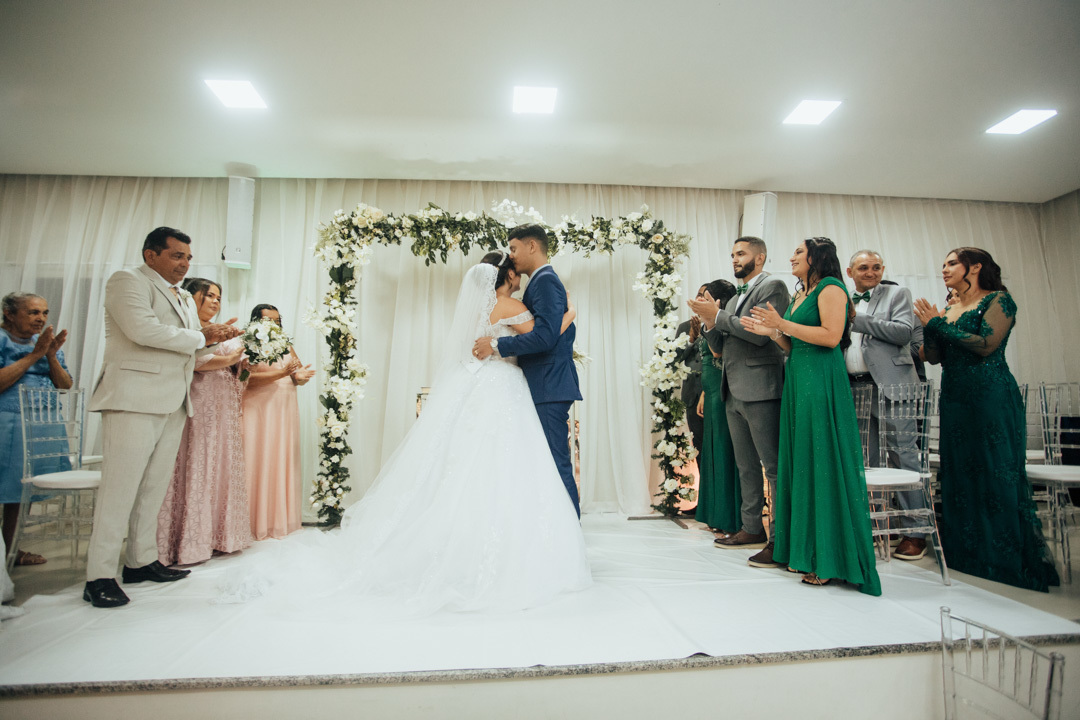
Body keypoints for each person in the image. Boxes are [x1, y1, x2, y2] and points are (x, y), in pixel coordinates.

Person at [231, 254, 590, 613]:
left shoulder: (474, 310)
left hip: (474, 384)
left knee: (461, 463)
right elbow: (543, 336)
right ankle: (510, 546)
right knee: (504, 464)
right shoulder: (510, 305)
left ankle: (454, 544)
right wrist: (570, 313)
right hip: (502, 386)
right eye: (514, 270)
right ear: (507, 274)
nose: (519, 276)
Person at [84, 227, 240, 608]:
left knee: (152, 488)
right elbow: (143, 331)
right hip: (133, 399)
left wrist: (216, 338)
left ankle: (140, 561)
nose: (184, 264)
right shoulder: (127, 282)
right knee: (119, 490)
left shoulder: (183, 296)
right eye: (176, 256)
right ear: (150, 255)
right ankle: (99, 575)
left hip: (174, 401)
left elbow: (189, 347)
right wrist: (203, 337)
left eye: (188, 258)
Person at [914, 247, 1058, 592]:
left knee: (995, 470)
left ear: (975, 267)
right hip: (955, 399)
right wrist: (929, 328)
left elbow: (985, 345)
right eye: (943, 264)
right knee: (960, 472)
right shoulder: (950, 306)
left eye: (952, 263)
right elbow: (932, 357)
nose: (944, 269)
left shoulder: (998, 300)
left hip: (991, 395)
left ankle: (1004, 558)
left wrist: (937, 323)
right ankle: (968, 555)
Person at [742, 237, 881, 595]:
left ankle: (830, 558)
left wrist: (783, 325)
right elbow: (793, 345)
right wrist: (773, 332)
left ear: (817, 257)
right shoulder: (801, 294)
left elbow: (831, 337)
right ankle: (803, 551)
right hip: (798, 381)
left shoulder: (831, 288)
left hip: (821, 381)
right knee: (801, 465)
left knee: (822, 464)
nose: (792, 257)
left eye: (799, 252)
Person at [687, 236, 790, 569]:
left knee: (772, 467)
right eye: (732, 254)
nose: (735, 259)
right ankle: (751, 527)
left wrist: (718, 315)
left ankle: (781, 539)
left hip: (762, 388)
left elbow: (759, 334)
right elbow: (719, 348)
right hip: (732, 389)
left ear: (759, 258)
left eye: (741, 253)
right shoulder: (735, 297)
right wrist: (708, 321)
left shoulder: (772, 286)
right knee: (746, 466)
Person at [473, 225, 583, 517]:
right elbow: (547, 333)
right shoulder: (536, 285)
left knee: (555, 463)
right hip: (540, 385)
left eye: (513, 248)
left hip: (548, 385)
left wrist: (496, 344)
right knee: (544, 463)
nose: (511, 255)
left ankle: (570, 531)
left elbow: (544, 338)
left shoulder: (545, 281)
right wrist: (570, 315)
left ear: (532, 246)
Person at [157, 278, 252, 565]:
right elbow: (196, 362)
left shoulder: (225, 330)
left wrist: (242, 367)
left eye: (218, 297)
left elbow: (238, 372)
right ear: (191, 297)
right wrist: (231, 358)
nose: (215, 301)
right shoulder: (187, 329)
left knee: (221, 463)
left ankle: (219, 537)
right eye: (209, 295)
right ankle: (190, 541)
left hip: (224, 405)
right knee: (198, 462)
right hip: (198, 403)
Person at [845, 251, 925, 560]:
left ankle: (915, 532)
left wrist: (857, 318)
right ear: (850, 272)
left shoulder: (897, 294)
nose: (870, 272)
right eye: (863, 267)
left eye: (876, 267)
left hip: (892, 386)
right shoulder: (842, 297)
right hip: (855, 387)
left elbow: (903, 332)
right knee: (866, 458)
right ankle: (877, 525)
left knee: (903, 454)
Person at [1, 292, 71, 566]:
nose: (40, 318)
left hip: (40, 427)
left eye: (44, 313)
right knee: (4, 488)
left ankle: (11, 551)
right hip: (8, 424)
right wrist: (35, 355)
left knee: (21, 494)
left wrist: (51, 355)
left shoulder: (44, 343)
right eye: (32, 312)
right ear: (8, 313)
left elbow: (65, 385)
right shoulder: (3, 339)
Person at [242, 304, 314, 541]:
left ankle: (278, 520)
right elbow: (245, 379)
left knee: (279, 458)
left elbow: (297, 374)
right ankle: (251, 523)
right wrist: (282, 374)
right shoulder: (248, 344)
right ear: (256, 322)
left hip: (284, 409)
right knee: (256, 457)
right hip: (258, 408)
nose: (275, 325)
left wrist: (301, 377)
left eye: (278, 321)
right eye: (269, 321)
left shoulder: (286, 345)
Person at [694, 279, 740, 535]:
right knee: (710, 450)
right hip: (710, 389)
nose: (700, 300)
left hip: (724, 390)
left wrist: (710, 320)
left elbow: (717, 354)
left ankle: (727, 516)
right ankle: (712, 511)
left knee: (724, 449)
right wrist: (704, 391)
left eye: (706, 296)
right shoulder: (707, 323)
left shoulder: (723, 321)